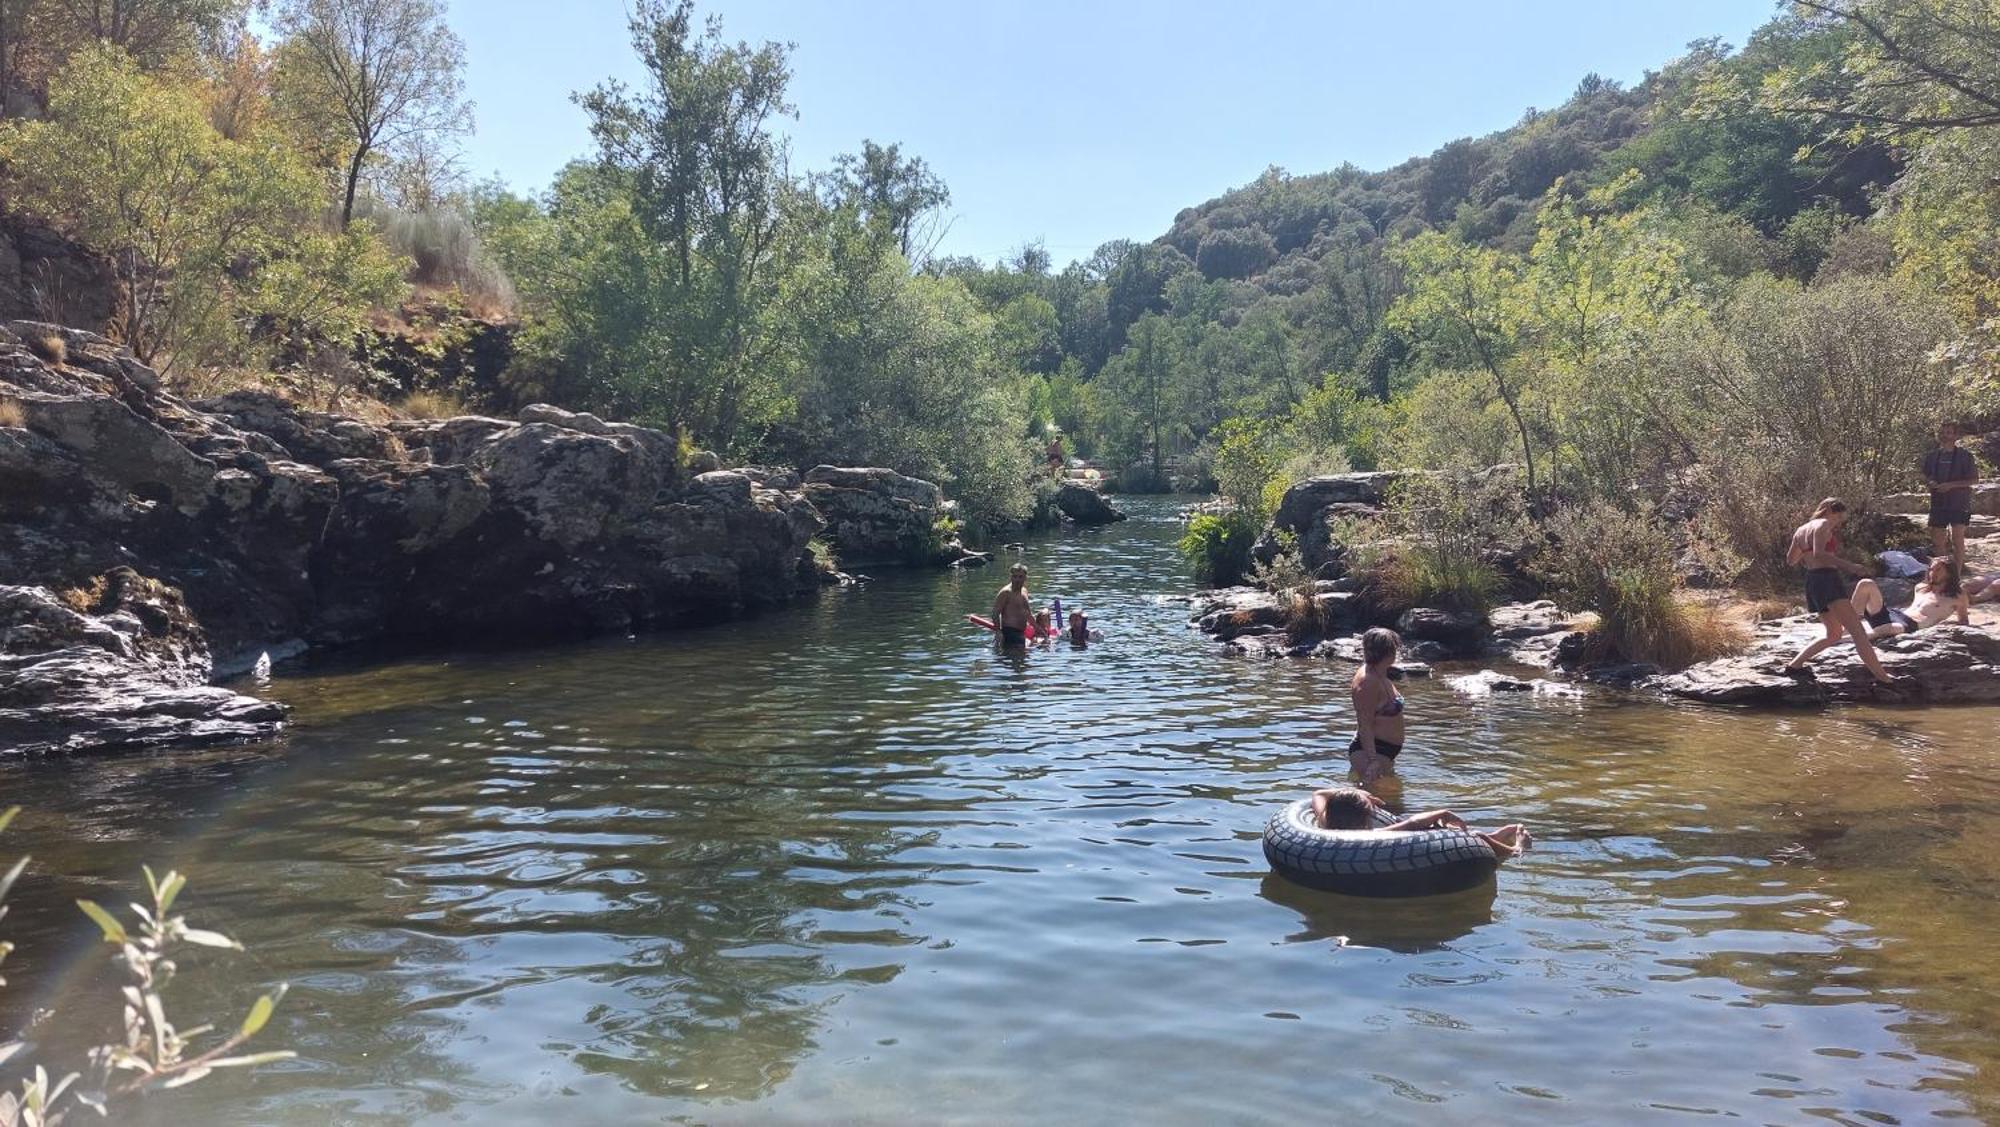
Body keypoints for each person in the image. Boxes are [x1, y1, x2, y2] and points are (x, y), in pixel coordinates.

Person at [1782, 499, 1899, 686]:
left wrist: (1808, 554)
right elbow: (1819, 553)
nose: (1837, 523)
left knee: (1834, 634)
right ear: (1829, 511)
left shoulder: (1801, 530)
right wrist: (1850, 566)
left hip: (1813, 581)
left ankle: (1795, 665)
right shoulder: (1822, 524)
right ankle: (1883, 678)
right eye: (1838, 517)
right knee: (1858, 632)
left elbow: (1791, 560)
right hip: (1827, 579)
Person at [1311, 787, 1530, 859]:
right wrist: (1442, 812)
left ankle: (1495, 838)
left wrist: (1358, 794)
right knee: (1476, 838)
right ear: (1362, 820)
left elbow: (1319, 793)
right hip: (1378, 857)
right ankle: (1516, 849)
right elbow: (1410, 825)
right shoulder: (1362, 838)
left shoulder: (1325, 822)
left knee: (1442, 831)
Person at [1853, 557, 1972, 639]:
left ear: (1949, 573)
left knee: (1889, 629)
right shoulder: (1920, 587)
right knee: (1866, 583)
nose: (1932, 573)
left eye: (1938, 570)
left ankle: (1849, 640)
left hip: (1909, 626)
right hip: (1893, 614)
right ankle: (1846, 626)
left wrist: (1945, 625)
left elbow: (1964, 622)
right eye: (1931, 569)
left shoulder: (1958, 596)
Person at [1348, 627, 1405, 786]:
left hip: (1384, 751)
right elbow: (1364, 723)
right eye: (1394, 648)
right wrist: (1373, 761)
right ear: (1388, 652)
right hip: (1373, 753)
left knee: (1388, 801)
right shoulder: (1367, 682)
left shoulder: (1380, 672)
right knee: (1380, 804)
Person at [1921, 421, 1979, 566]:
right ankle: (1945, 575)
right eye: (1942, 433)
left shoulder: (1965, 456)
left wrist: (1951, 486)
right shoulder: (1933, 456)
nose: (1944, 436)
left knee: (1957, 540)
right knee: (1937, 541)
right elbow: (1925, 475)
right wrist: (1931, 482)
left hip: (1958, 503)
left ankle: (1957, 577)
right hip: (1938, 502)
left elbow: (1974, 480)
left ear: (1955, 436)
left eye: (1948, 433)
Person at [992, 565, 1032, 647]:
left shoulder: (1024, 591)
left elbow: (1028, 614)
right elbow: (995, 613)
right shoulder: (1006, 592)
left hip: (1021, 633)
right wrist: (998, 632)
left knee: (1023, 658)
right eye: (1015, 576)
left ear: (1025, 578)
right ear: (1011, 577)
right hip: (1009, 633)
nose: (1017, 579)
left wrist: (1041, 631)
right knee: (1016, 656)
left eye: (1020, 577)